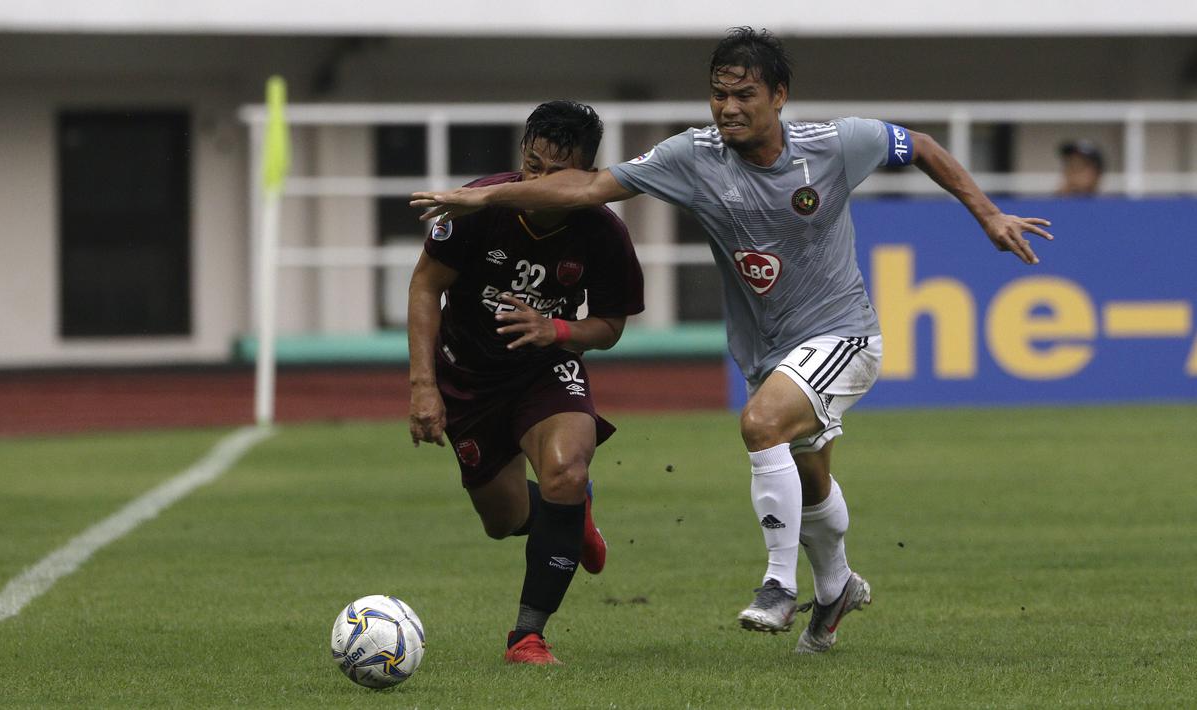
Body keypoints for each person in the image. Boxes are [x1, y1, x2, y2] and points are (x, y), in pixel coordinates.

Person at [411, 28, 1053, 654]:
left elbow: (922, 146)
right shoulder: (691, 156)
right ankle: (836, 588)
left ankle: (778, 585)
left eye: (744, 94)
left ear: (780, 95)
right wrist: (484, 200)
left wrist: (988, 212)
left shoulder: (834, 144)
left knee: (761, 424)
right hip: (768, 351)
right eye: (719, 94)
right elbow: (587, 187)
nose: (729, 107)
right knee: (810, 478)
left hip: (843, 331)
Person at [407, 100, 645, 665]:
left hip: (546, 370)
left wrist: (555, 328)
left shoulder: (604, 234)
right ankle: (570, 520)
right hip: (467, 375)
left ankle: (528, 636)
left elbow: (609, 327)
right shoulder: (476, 206)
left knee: (565, 470)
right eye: (531, 164)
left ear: (587, 175)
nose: (537, 180)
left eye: (554, 172)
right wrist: (423, 386)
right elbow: (424, 287)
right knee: (504, 519)